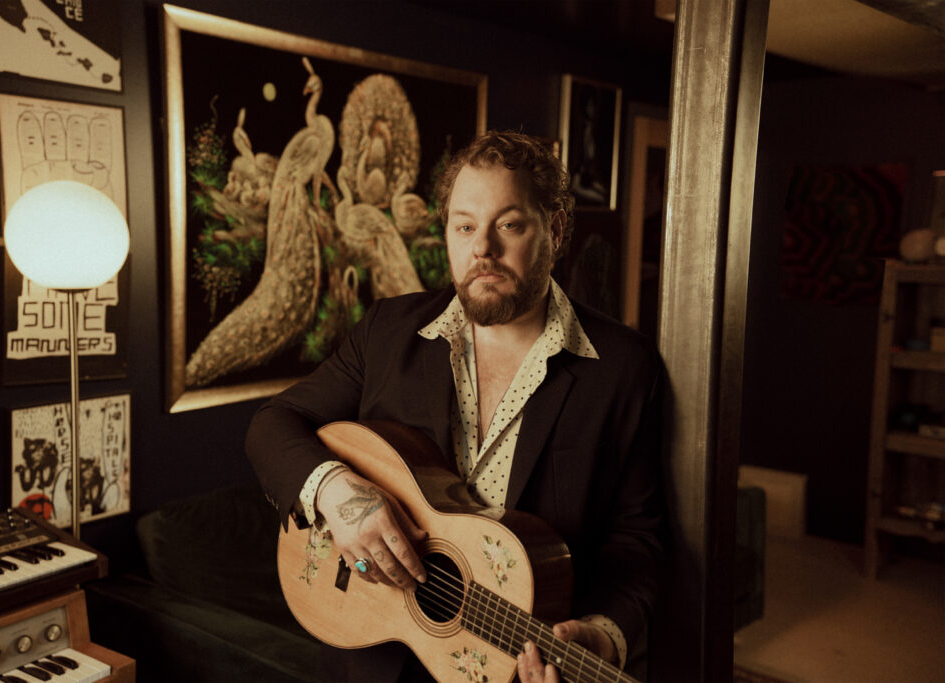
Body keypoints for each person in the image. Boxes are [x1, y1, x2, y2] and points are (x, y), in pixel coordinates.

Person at [246, 130, 666, 682]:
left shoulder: (622, 367)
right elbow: (272, 424)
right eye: (464, 226)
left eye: (509, 224)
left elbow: (639, 544)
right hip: (369, 650)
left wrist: (606, 636)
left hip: (513, 665)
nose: (482, 248)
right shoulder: (386, 332)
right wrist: (337, 493)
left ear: (556, 230)